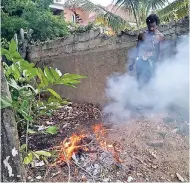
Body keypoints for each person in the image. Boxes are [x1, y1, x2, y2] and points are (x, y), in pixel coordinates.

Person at [129, 14, 165, 89]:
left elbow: (160, 52)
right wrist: (132, 63)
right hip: (141, 60)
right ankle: (140, 96)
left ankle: (151, 96)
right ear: (147, 25)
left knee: (152, 82)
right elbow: (137, 49)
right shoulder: (142, 35)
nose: (151, 28)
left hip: (152, 62)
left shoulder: (160, 36)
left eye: (153, 26)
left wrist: (158, 63)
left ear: (157, 25)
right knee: (139, 80)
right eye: (149, 26)